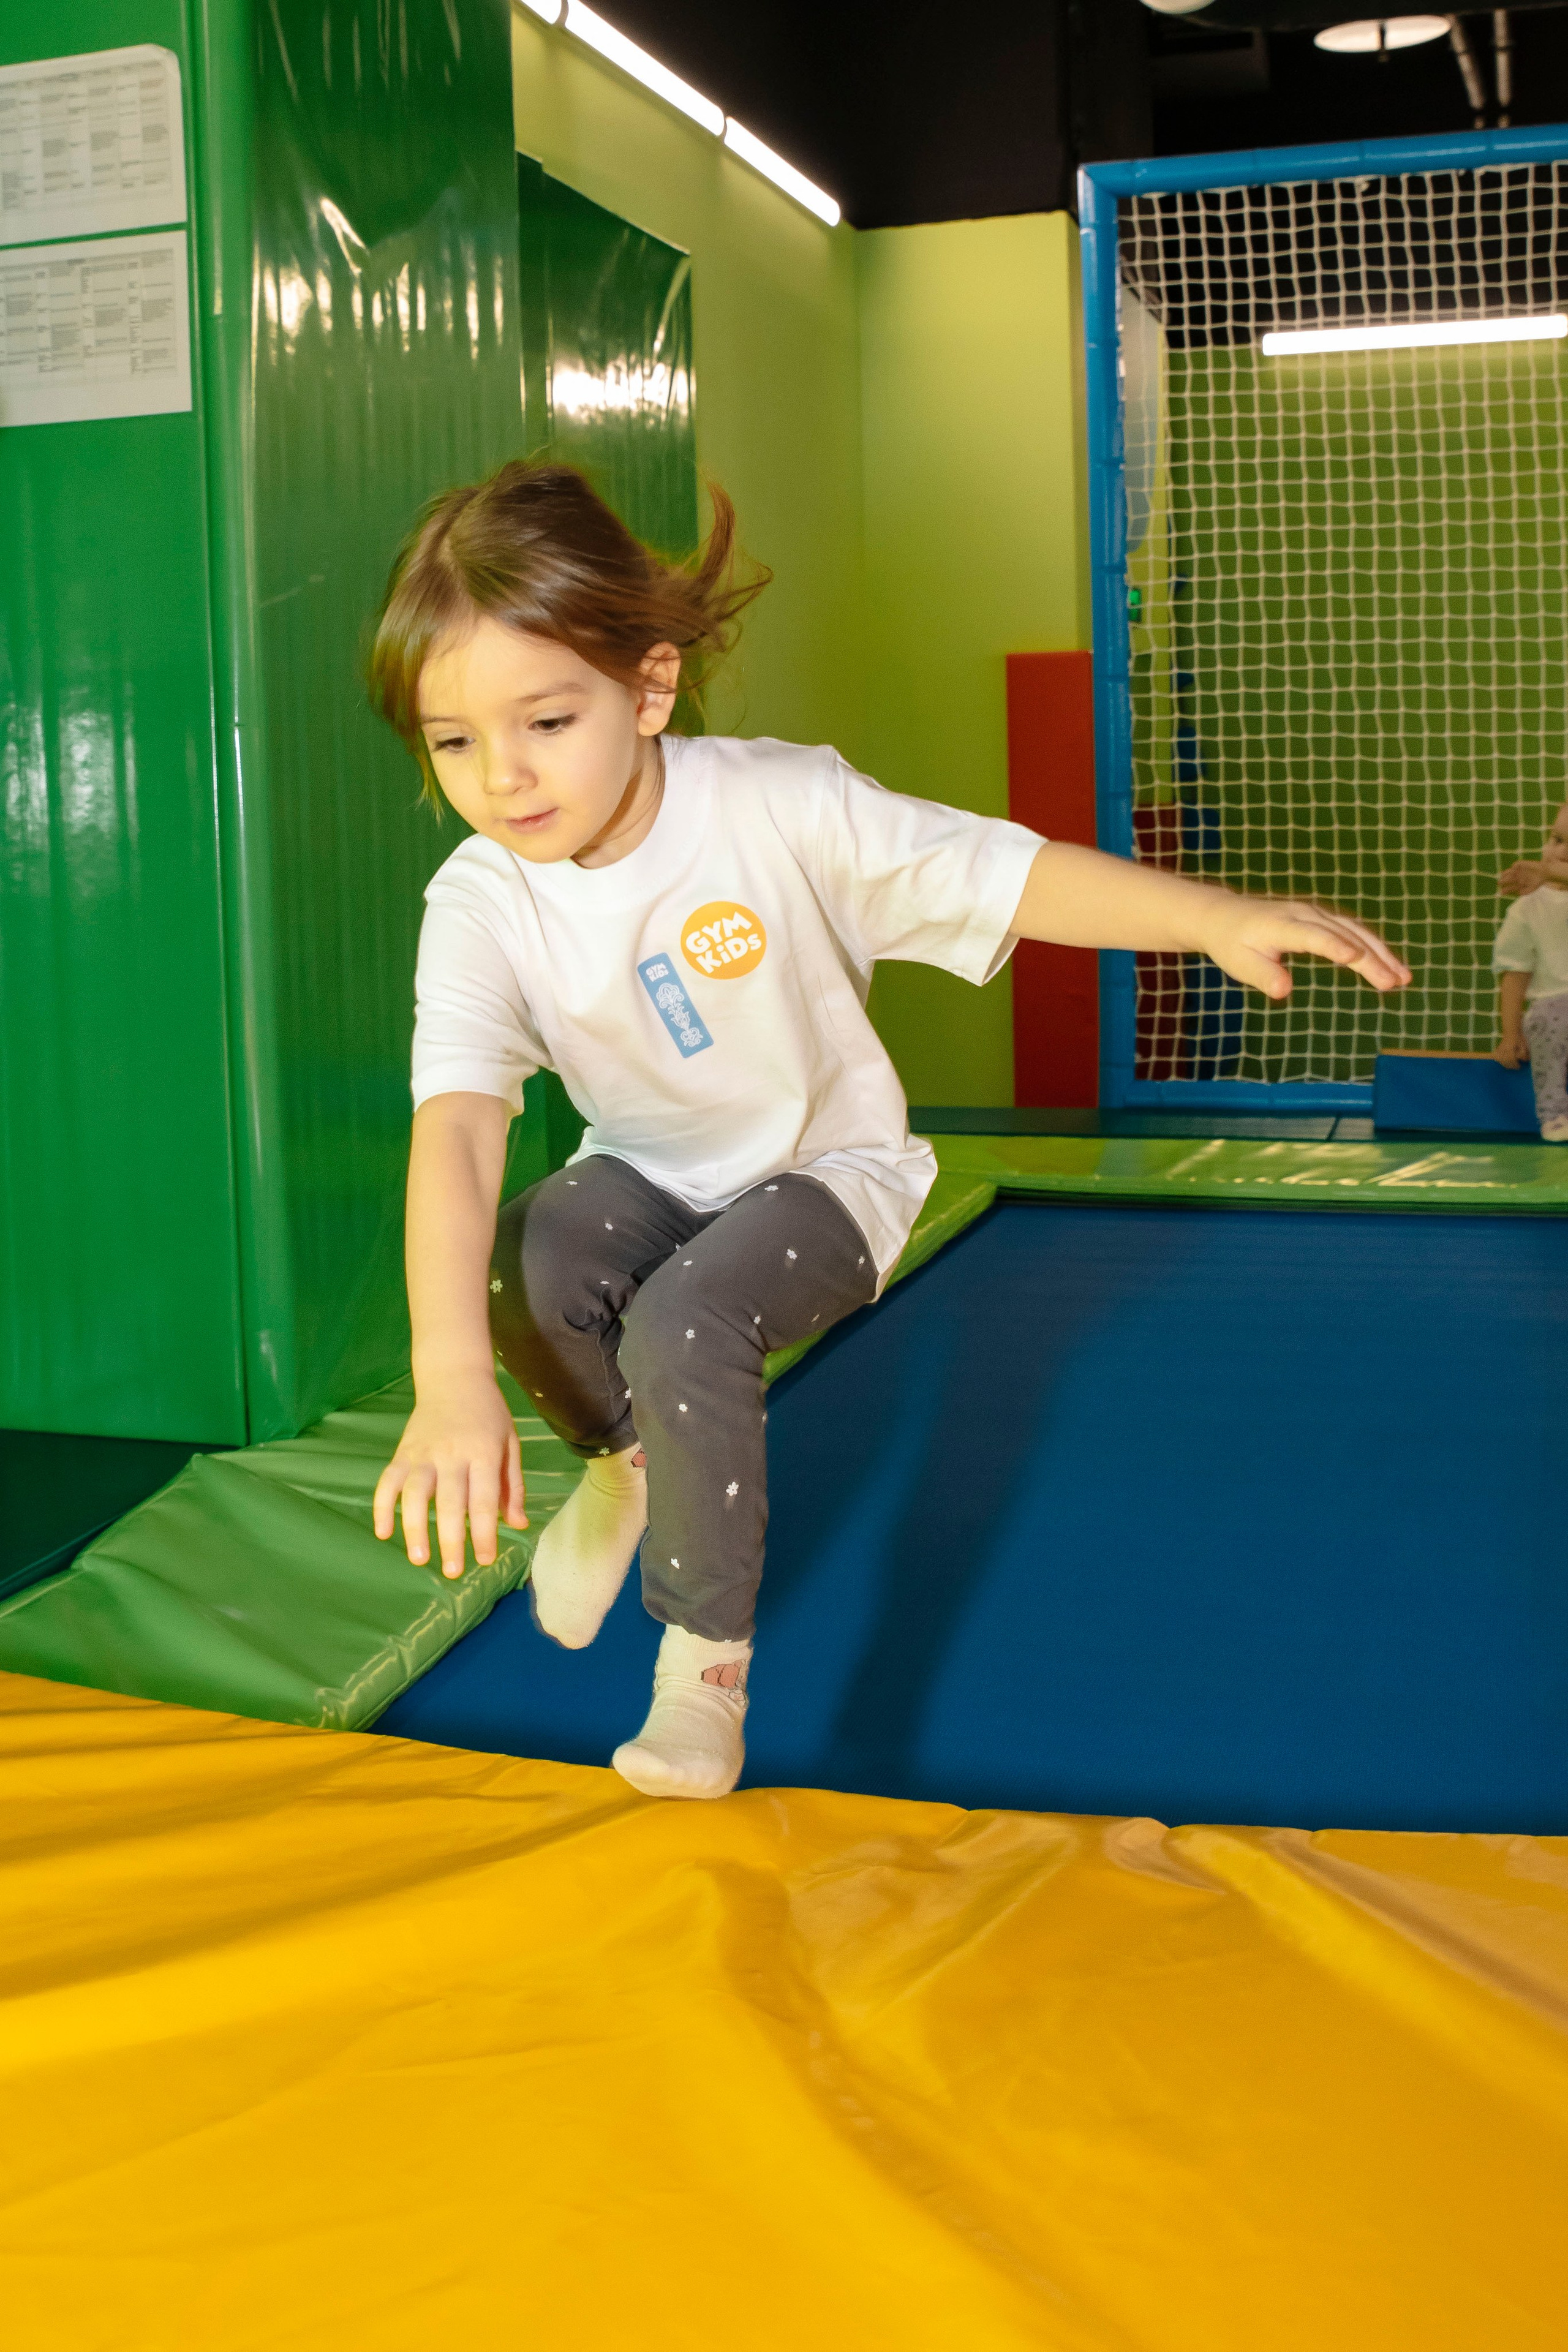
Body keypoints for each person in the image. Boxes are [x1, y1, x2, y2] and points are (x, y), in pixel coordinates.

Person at [366, 459, 1410, 1801]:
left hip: (825, 1174)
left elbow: (1002, 870)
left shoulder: (778, 807)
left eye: (545, 720)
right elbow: (454, 1130)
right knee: (530, 1265)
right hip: (648, 1171)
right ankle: (627, 1466)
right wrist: (449, 1375)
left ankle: (702, 1668)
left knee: (684, 1321)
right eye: (453, 741)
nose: (501, 778)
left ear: (647, 688)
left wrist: (1207, 917)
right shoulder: (480, 900)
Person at [1493, 803, 1568, 1140]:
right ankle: (1554, 1115)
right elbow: (1516, 974)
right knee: (1551, 1017)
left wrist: (1551, 873)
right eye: (1557, 839)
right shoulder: (1528, 907)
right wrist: (1511, 1034)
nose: (1561, 850)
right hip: (1555, 1006)